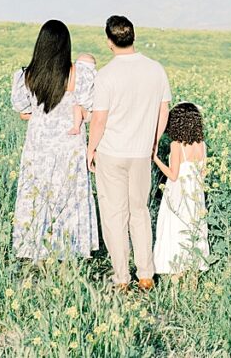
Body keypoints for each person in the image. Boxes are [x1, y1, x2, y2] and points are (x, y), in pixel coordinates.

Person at [87, 15, 171, 291]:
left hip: (112, 152)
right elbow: (164, 110)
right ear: (133, 36)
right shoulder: (155, 69)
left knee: (114, 215)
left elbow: (98, 120)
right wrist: (154, 142)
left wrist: (90, 149)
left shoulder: (106, 75)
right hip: (140, 153)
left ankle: (122, 276)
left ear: (110, 42)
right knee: (140, 212)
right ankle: (146, 273)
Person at [10, 20, 98, 260]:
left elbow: (22, 110)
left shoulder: (27, 76)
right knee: (69, 195)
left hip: (38, 146)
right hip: (69, 146)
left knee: (37, 195)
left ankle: (33, 247)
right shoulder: (77, 75)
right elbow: (90, 107)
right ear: (65, 45)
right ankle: (69, 248)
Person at [153, 102, 210, 275]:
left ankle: (175, 268)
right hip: (195, 194)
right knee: (194, 228)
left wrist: (155, 158)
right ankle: (194, 267)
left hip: (178, 192)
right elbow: (204, 173)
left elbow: (173, 175)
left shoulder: (176, 145)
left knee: (175, 227)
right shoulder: (202, 144)